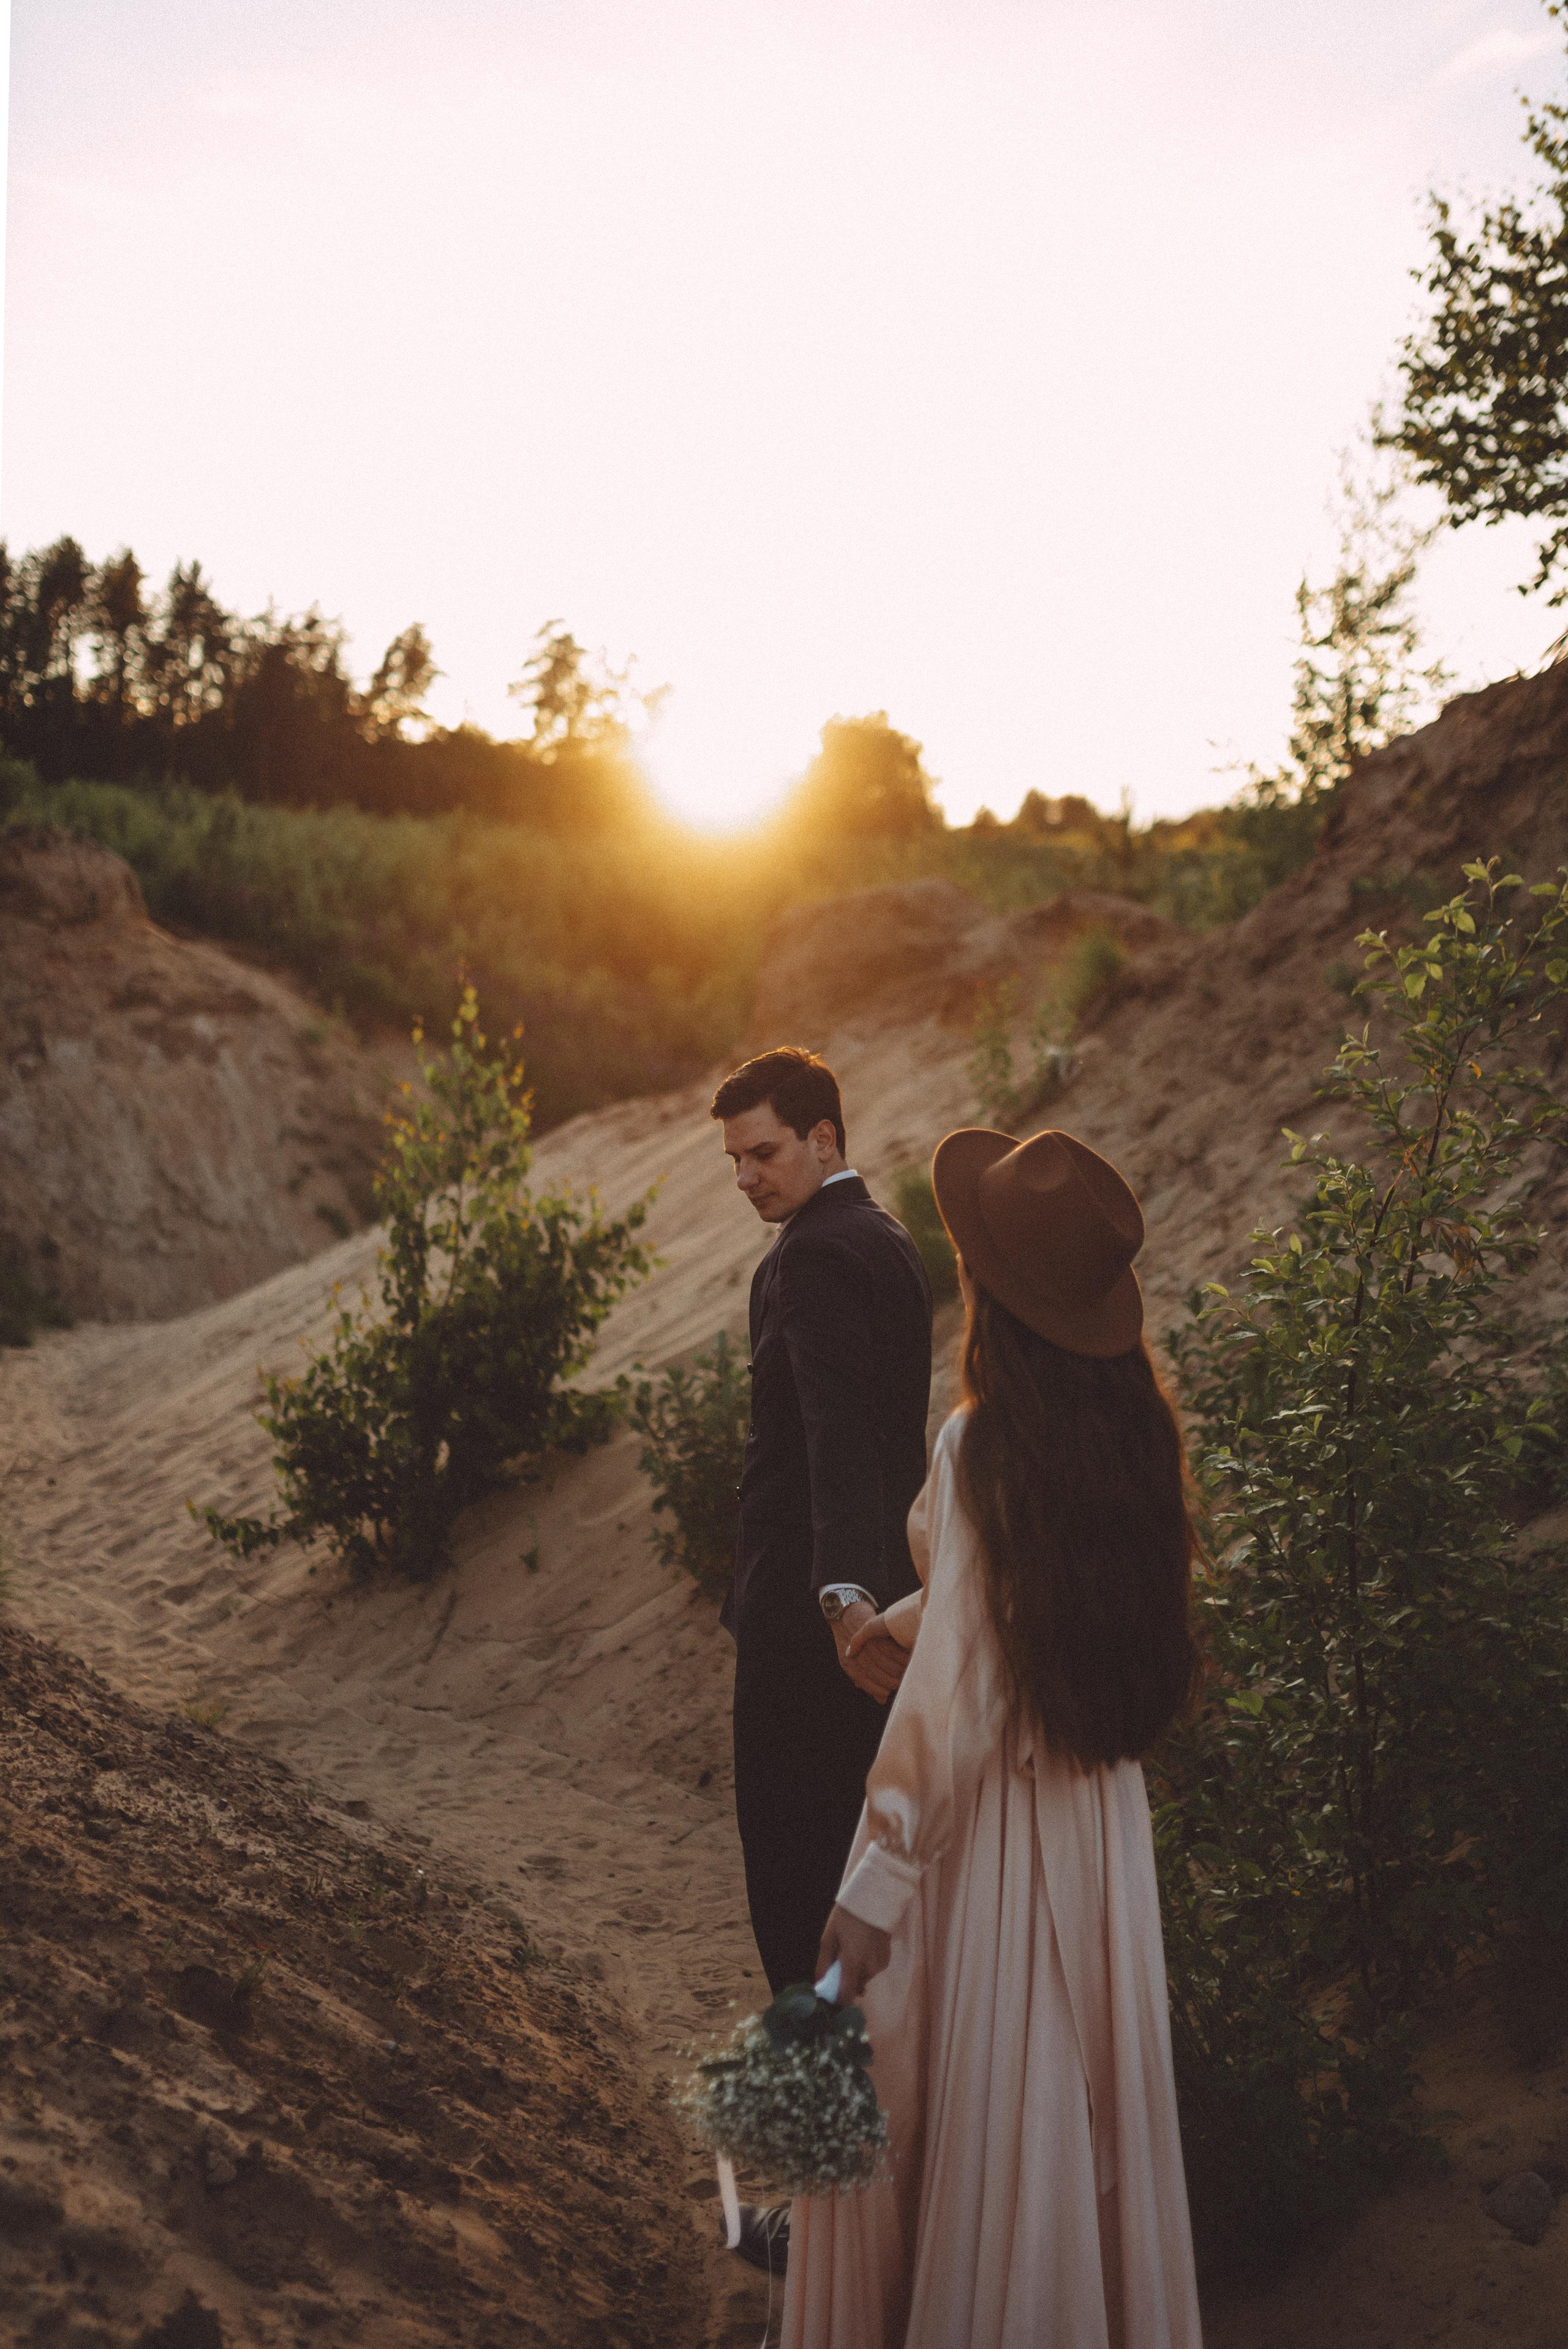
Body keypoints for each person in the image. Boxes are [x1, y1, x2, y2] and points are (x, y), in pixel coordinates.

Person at [783, 1125, 1205, 2349]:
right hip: (1101, 1820)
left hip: (1003, 1829)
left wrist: (877, 1876)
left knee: (977, 2078)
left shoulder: (980, 1442)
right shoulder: (1137, 1430)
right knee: (1079, 2106)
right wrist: (920, 1615)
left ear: (992, 1291)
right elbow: (1028, 1597)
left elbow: (956, 1699)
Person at [711, 1046, 933, 2272]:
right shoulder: (883, 1240)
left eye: (764, 1152)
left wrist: (842, 1601)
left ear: (824, 1138)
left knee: (799, 1898)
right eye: (735, 1159)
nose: (746, 1176)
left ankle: (823, 2219)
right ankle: (871, 2196)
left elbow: (841, 1441)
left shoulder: (811, 1260)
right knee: (849, 1895)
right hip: (864, 1618)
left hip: (818, 1642)